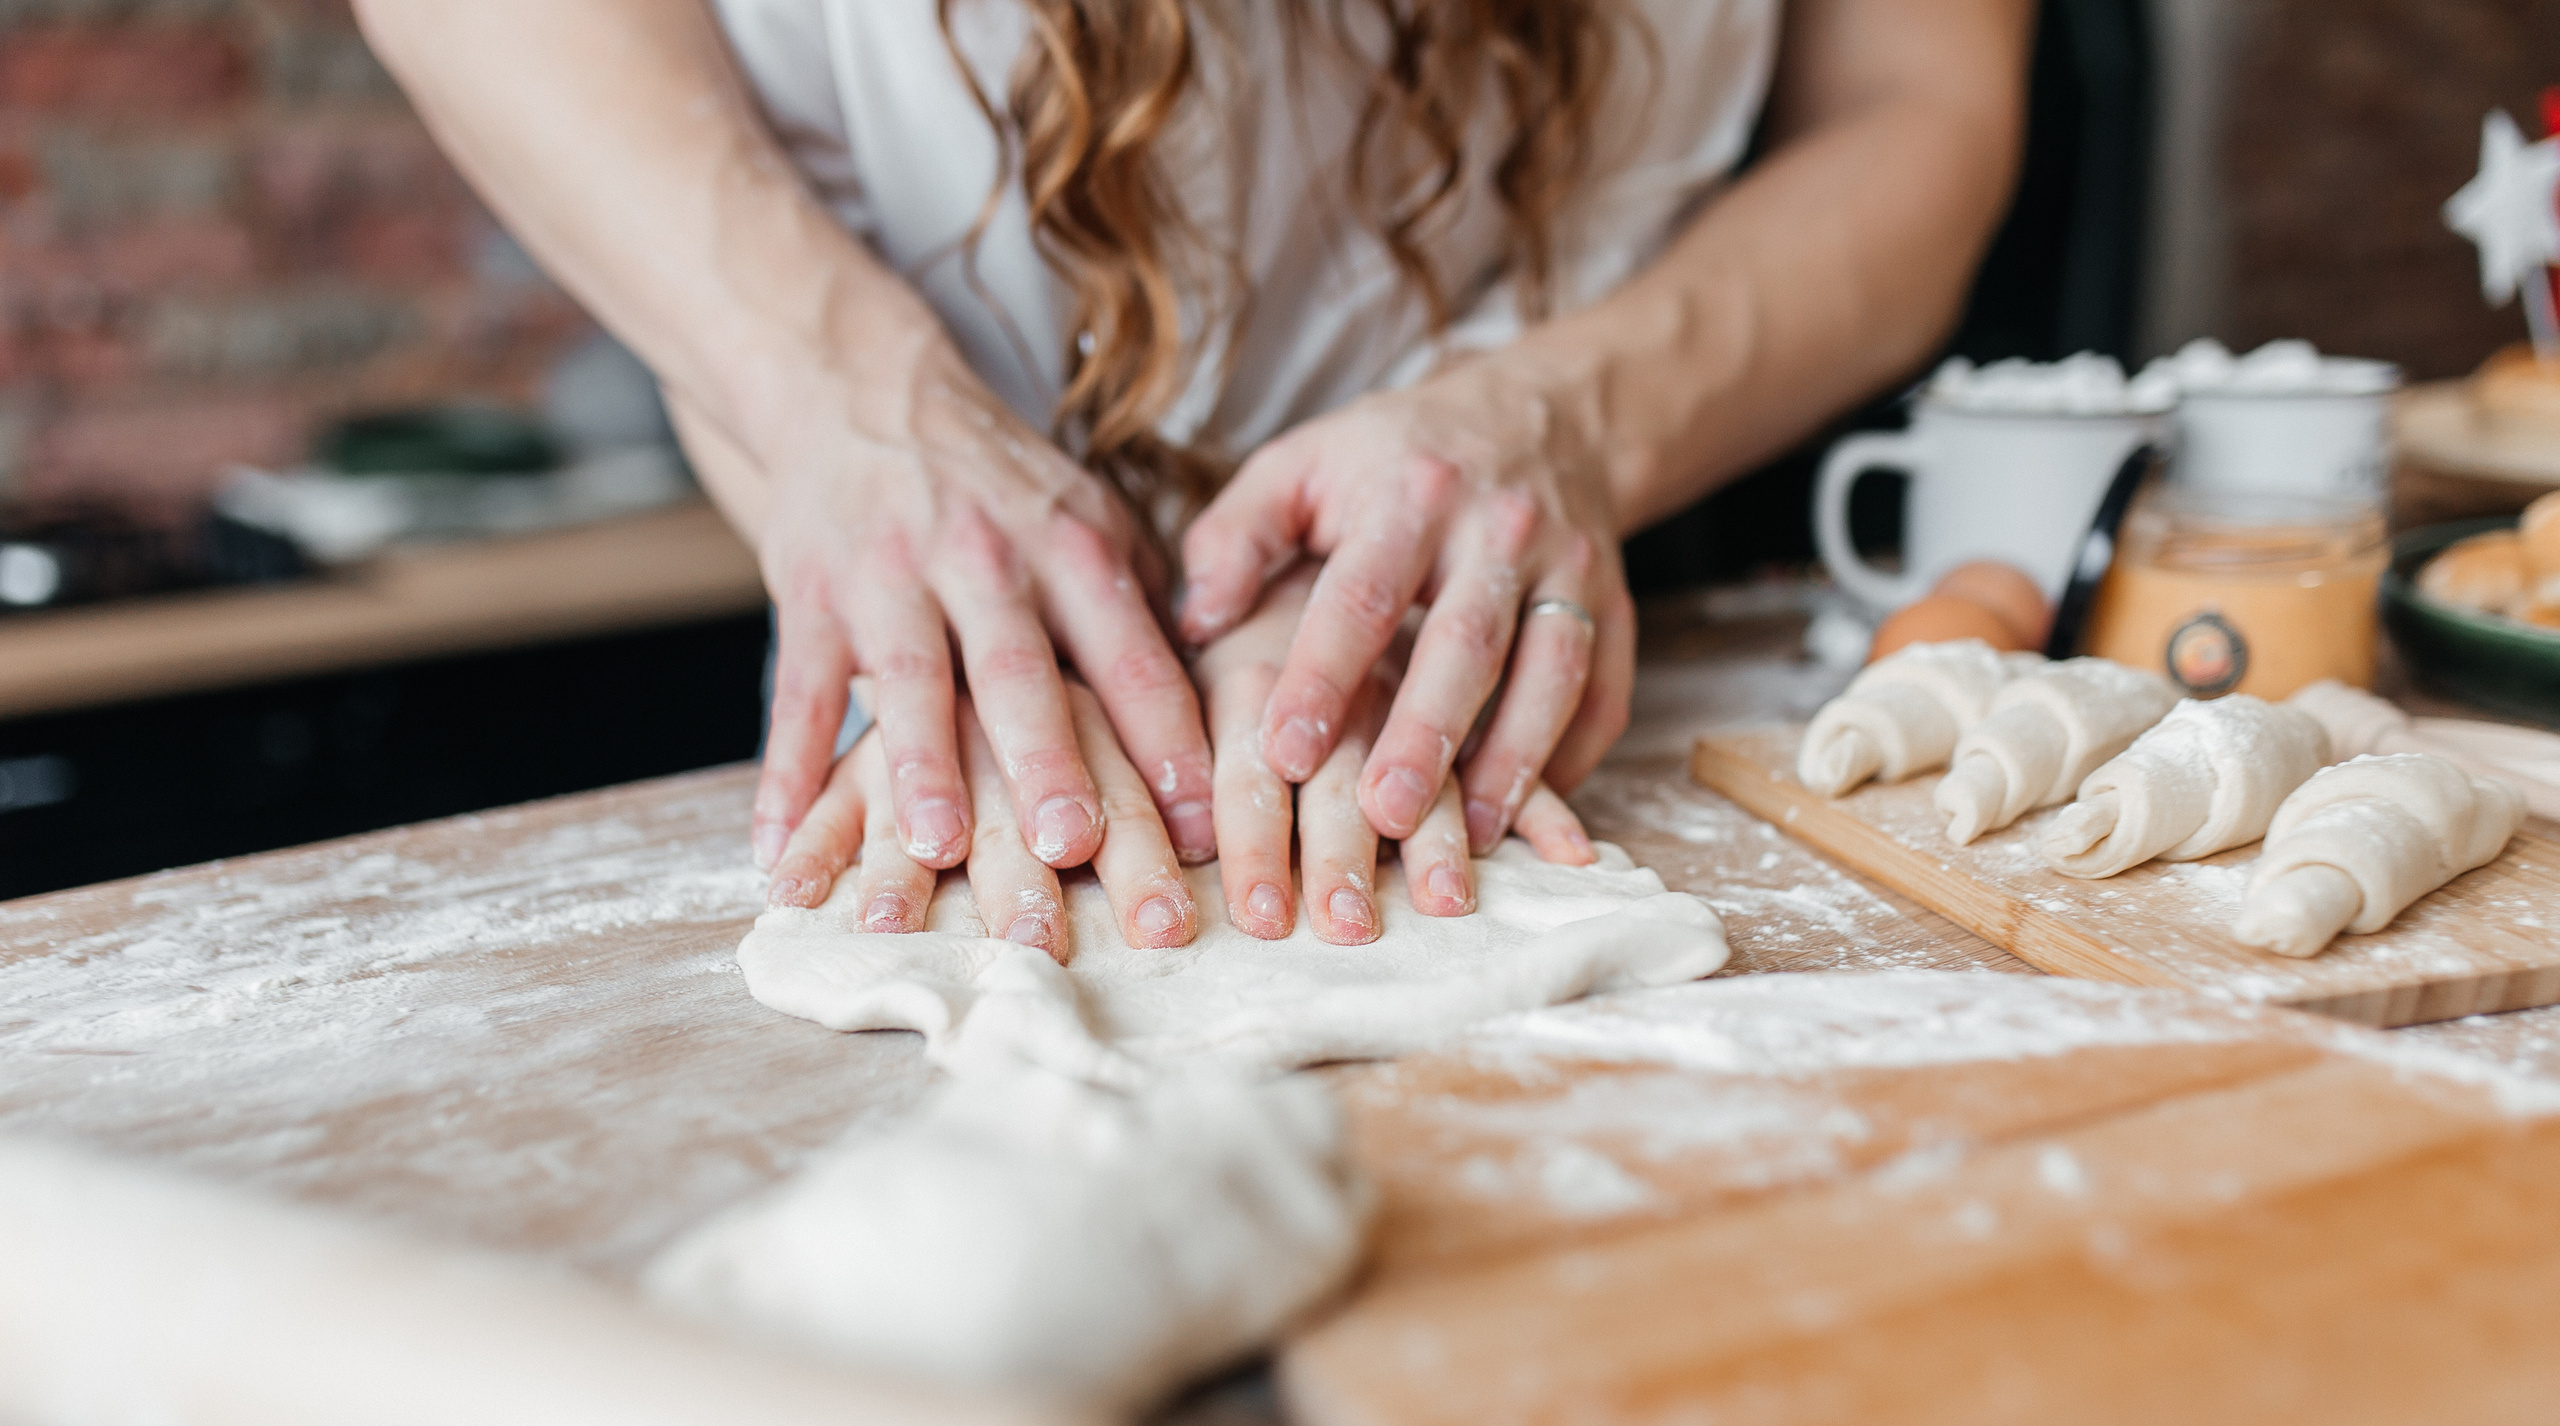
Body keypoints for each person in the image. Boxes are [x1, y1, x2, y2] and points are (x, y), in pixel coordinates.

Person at [358, 0, 2028, 956]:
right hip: (957, 617)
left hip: (1471, 634)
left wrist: (1558, 423)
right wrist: (843, 398)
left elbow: (1917, 105)